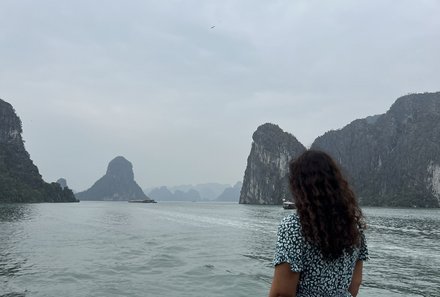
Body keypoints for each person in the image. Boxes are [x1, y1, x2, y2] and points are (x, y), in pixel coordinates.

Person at [269, 150, 368, 297]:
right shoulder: (353, 225)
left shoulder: (294, 226)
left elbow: (281, 293)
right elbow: (356, 281)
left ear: (299, 187)